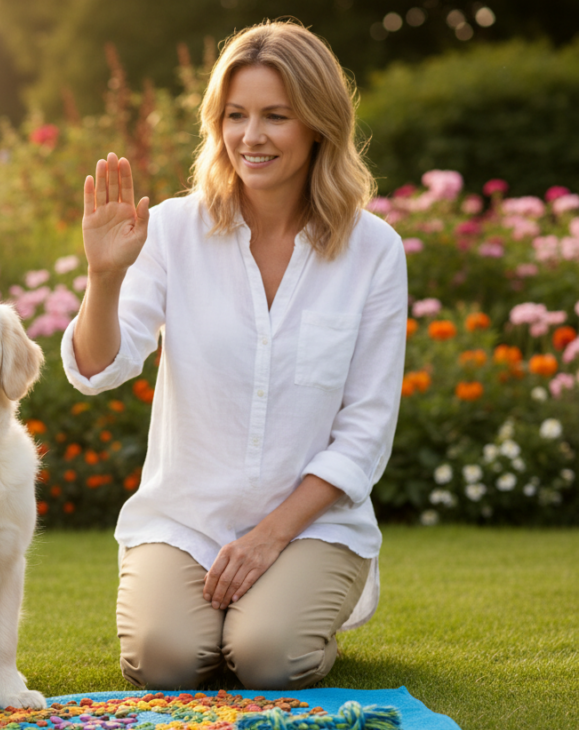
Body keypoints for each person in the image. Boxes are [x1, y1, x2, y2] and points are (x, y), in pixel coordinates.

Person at [61, 20, 408, 690]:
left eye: (276, 116)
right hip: (185, 521)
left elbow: (365, 432)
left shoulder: (374, 250)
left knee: (268, 658)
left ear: (317, 125)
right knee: (165, 661)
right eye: (236, 115)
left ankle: (315, 601)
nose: (251, 137)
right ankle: (242, 611)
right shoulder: (170, 229)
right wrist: (102, 278)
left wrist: (270, 537)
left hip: (311, 526)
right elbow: (100, 369)